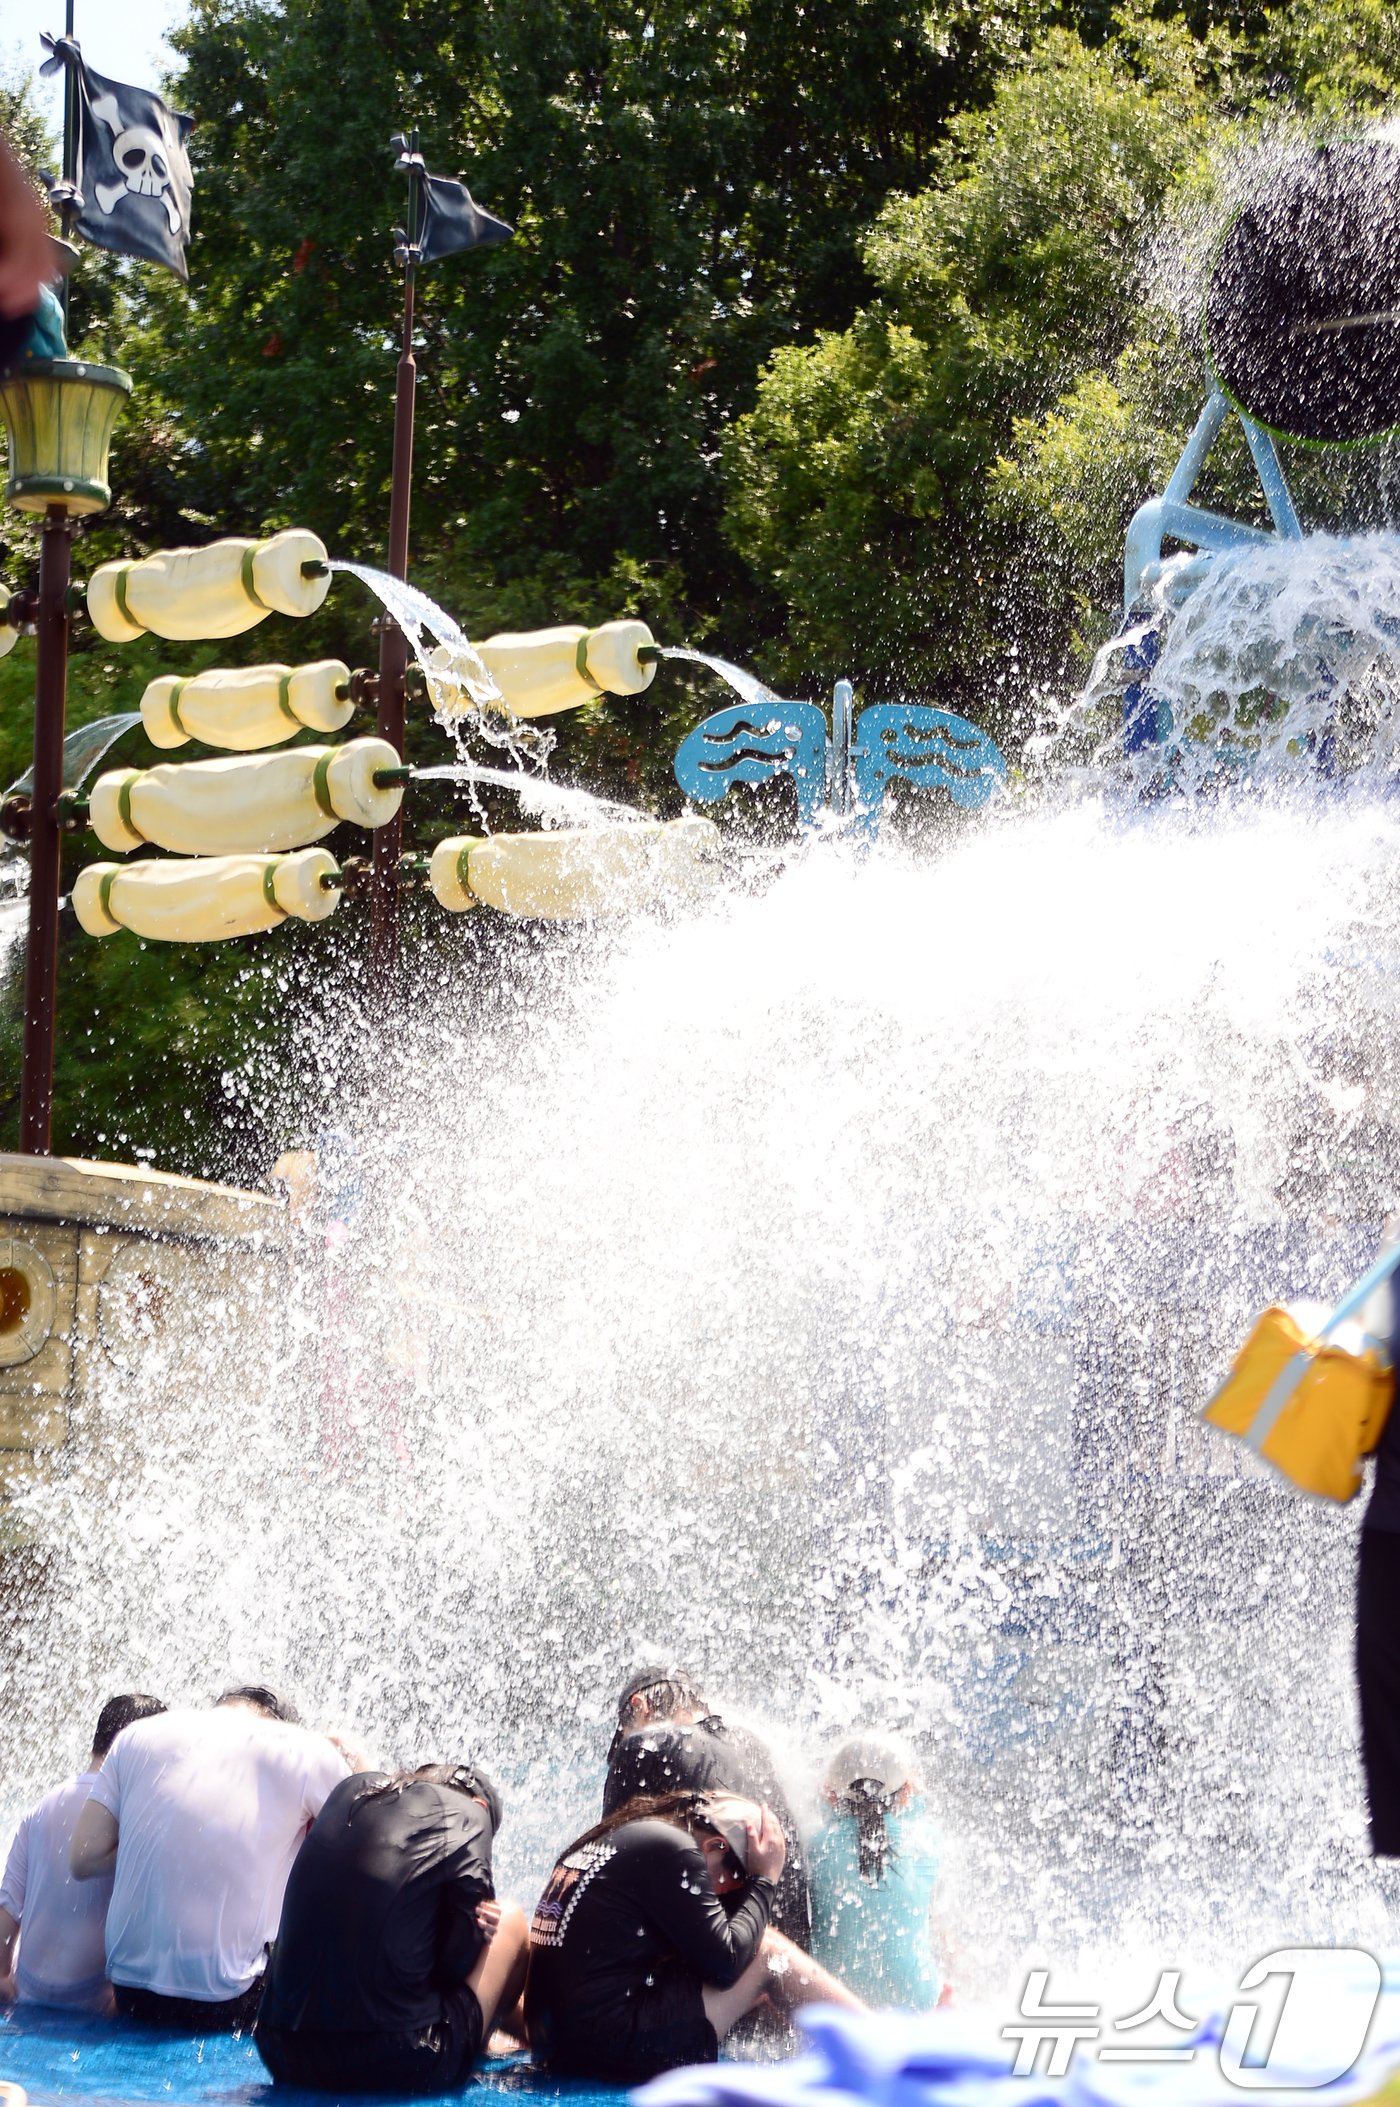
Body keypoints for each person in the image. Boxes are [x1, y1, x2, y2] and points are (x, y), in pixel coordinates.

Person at [526, 1788, 862, 2085]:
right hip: (604, 2048)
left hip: (556, 2042)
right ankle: (875, 2046)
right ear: (716, 1845)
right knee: (768, 1952)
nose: (727, 1894)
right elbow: (727, 1963)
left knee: (749, 1972)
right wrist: (765, 1880)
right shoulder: (674, 1848)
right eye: (738, 1879)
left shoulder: (631, 1834)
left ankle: (827, 2054)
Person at [68, 1684, 349, 2030]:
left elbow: (82, 1858)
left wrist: (158, 1845)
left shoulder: (135, 1735)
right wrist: (363, 1769)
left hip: (130, 1989)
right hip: (228, 1998)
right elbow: (370, 1846)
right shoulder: (304, 1749)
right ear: (283, 1724)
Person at [254, 1760, 529, 2093]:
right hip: (398, 2060)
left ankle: (509, 2031)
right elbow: (457, 1963)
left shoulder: (350, 1791)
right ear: (481, 1805)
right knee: (508, 1919)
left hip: (282, 2048)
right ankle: (508, 2037)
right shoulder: (471, 1815)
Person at [603, 1664, 812, 1947]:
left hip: (717, 1964)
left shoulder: (644, 1745)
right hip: (785, 1958)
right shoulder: (753, 1748)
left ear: (640, 1707)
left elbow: (603, 1871)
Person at [0, 1692, 166, 2012]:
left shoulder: (41, 1806)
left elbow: (7, 1912)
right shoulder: (131, 1814)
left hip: (28, 1994)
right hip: (98, 2005)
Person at [807, 1732, 945, 2008]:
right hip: (916, 2000)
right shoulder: (927, 1843)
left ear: (832, 1794)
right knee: (936, 1927)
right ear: (906, 1792)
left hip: (836, 2000)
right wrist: (913, 1801)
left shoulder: (817, 1846)